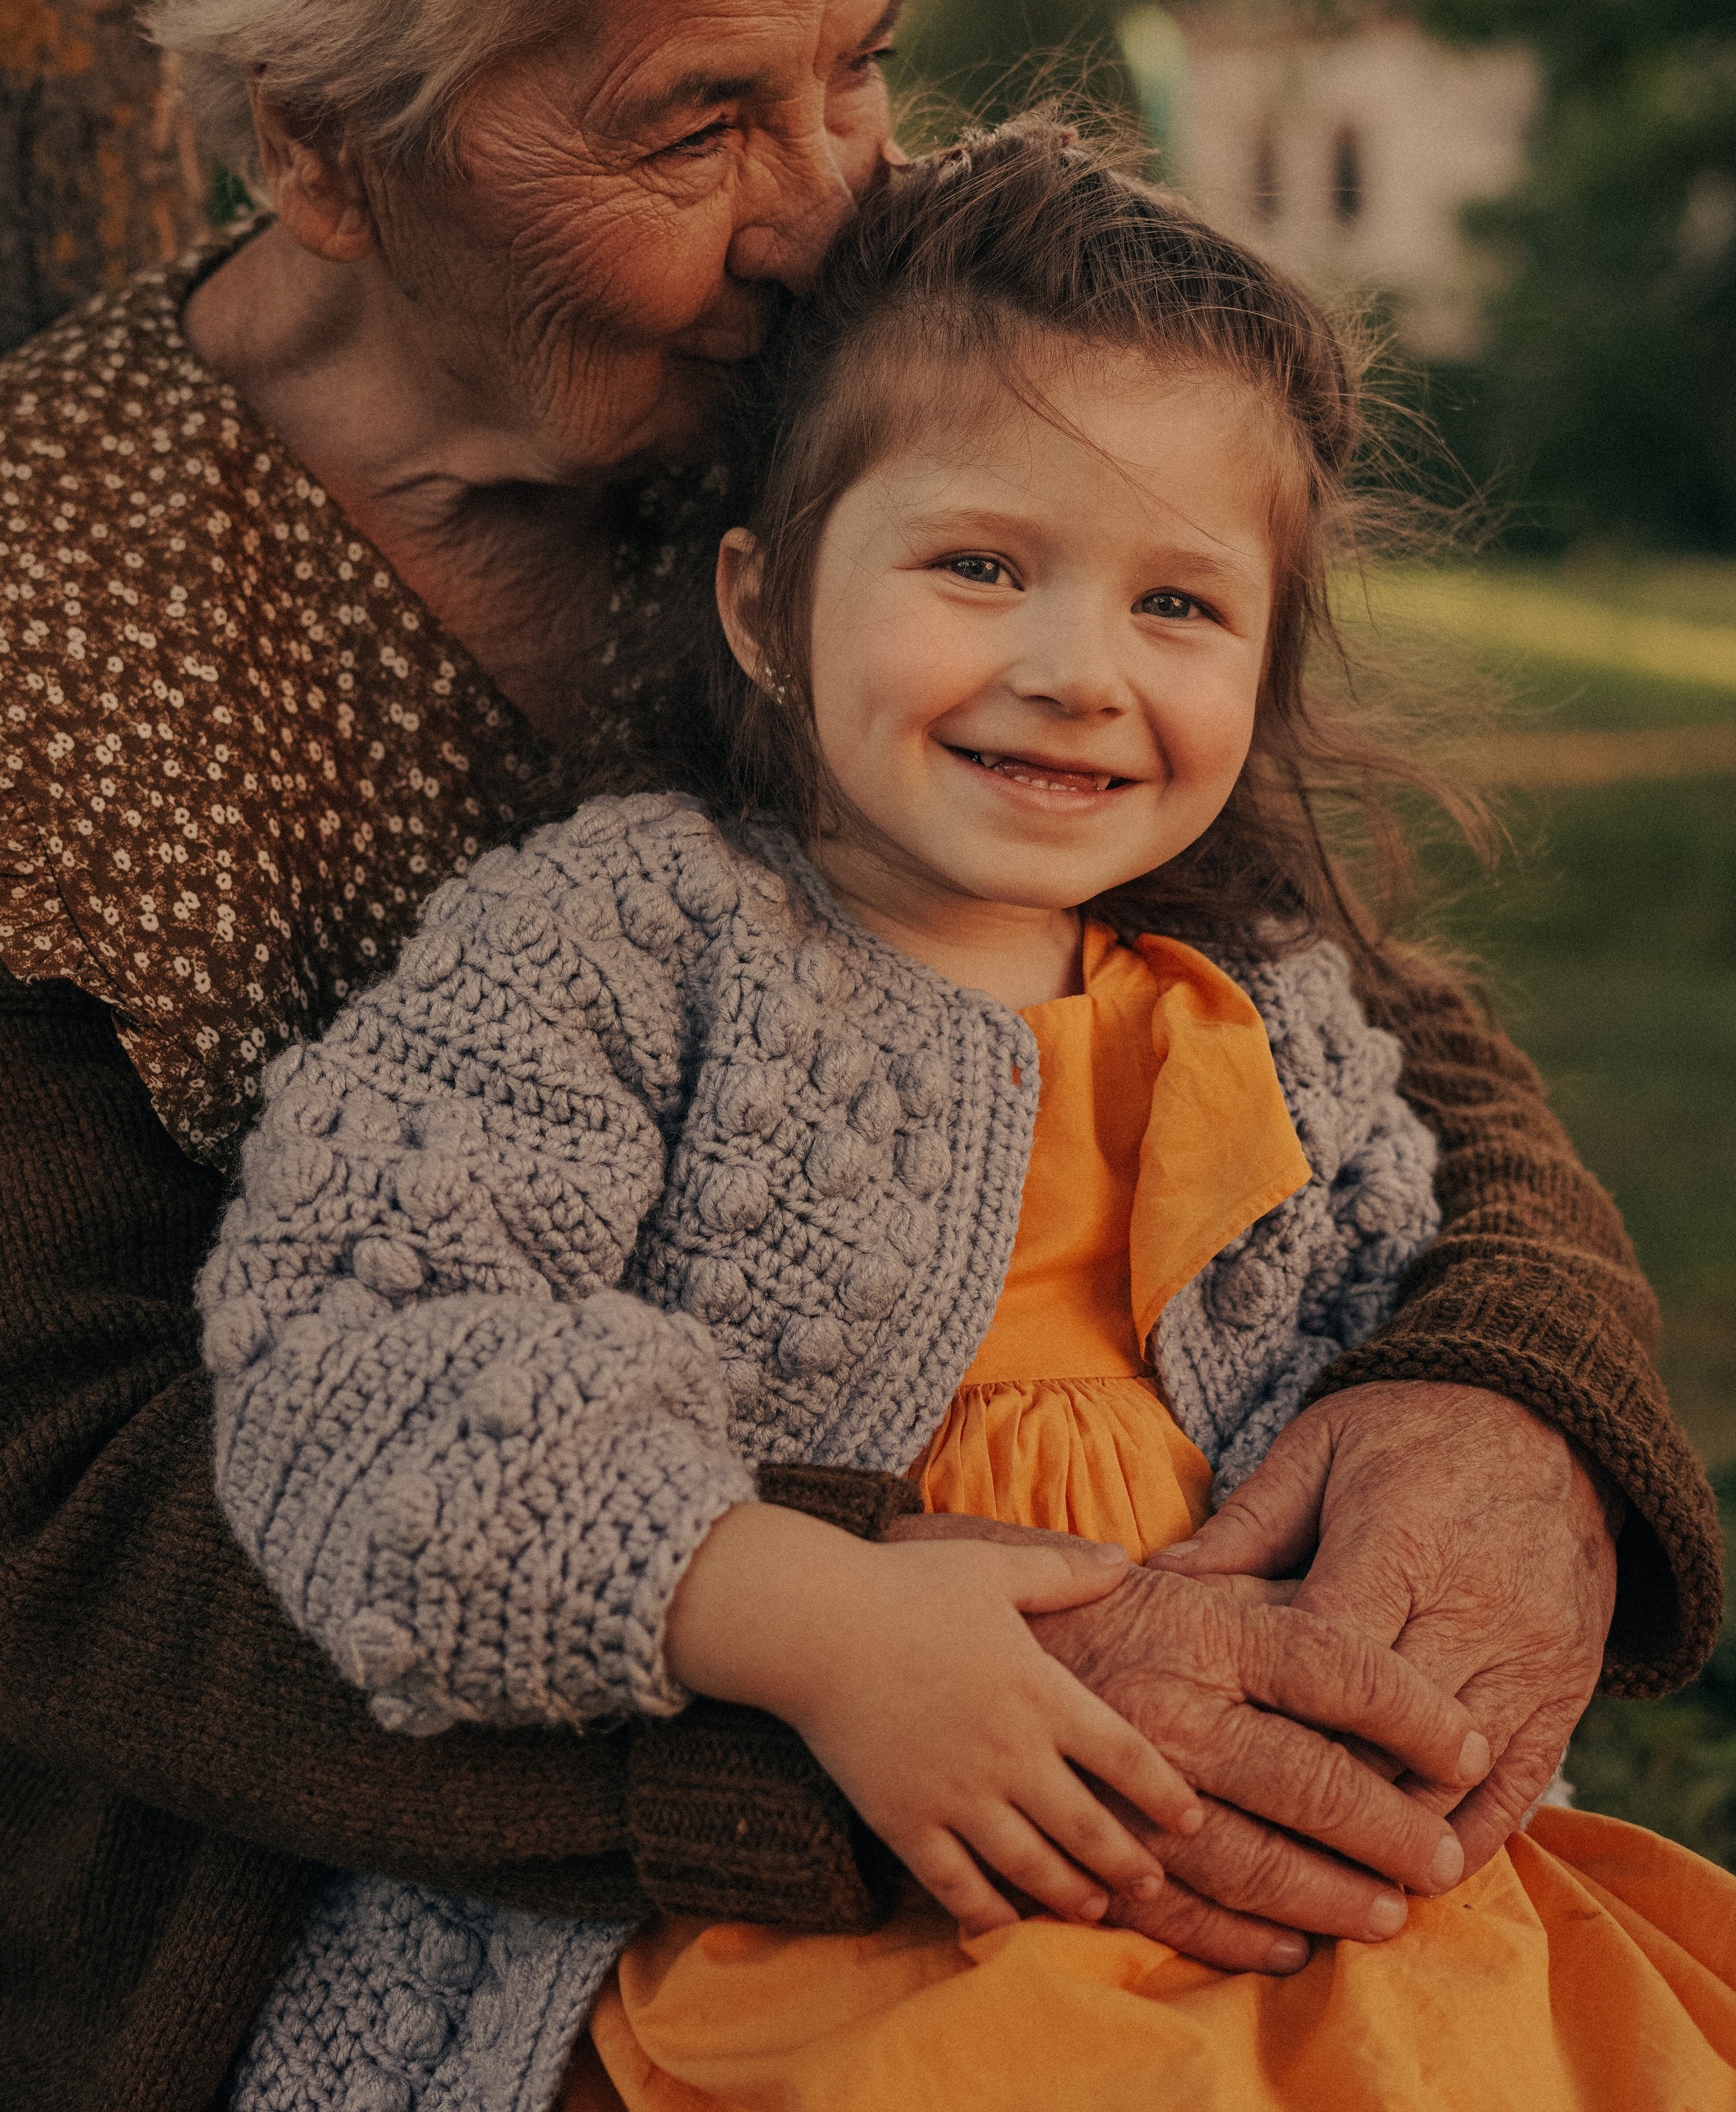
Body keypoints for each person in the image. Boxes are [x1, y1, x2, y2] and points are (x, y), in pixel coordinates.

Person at [0, 0, 1718, 2103]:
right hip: (420, 1926)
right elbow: (69, 1503)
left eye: (861, 61)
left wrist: (1514, 1404)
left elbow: (1319, 1000)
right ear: (323, 148)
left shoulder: (893, 415)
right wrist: (870, 1661)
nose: (835, 204)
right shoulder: (50, 602)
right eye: (696, 120)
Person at [199, 121, 1736, 2112]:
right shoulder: (621, 948)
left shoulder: (1267, 1017)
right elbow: (350, 1357)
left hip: (1249, 1892)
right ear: (764, 605)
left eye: (1178, 607)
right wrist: (810, 1621)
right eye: (981, 565)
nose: (1073, 672)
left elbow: (1421, 1388)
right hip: (813, 1931)